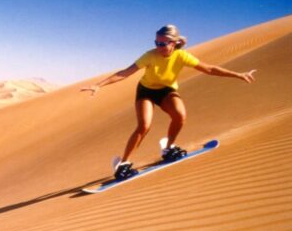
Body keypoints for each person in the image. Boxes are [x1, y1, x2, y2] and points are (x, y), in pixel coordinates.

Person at [80, 24, 256, 180]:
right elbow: (126, 72)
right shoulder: (150, 56)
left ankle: (169, 148)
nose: (158, 47)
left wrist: (238, 75)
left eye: (162, 44)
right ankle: (123, 164)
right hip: (146, 91)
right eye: (156, 43)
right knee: (144, 126)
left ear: (173, 43)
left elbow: (209, 68)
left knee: (180, 115)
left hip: (166, 91)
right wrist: (98, 85)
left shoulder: (181, 56)